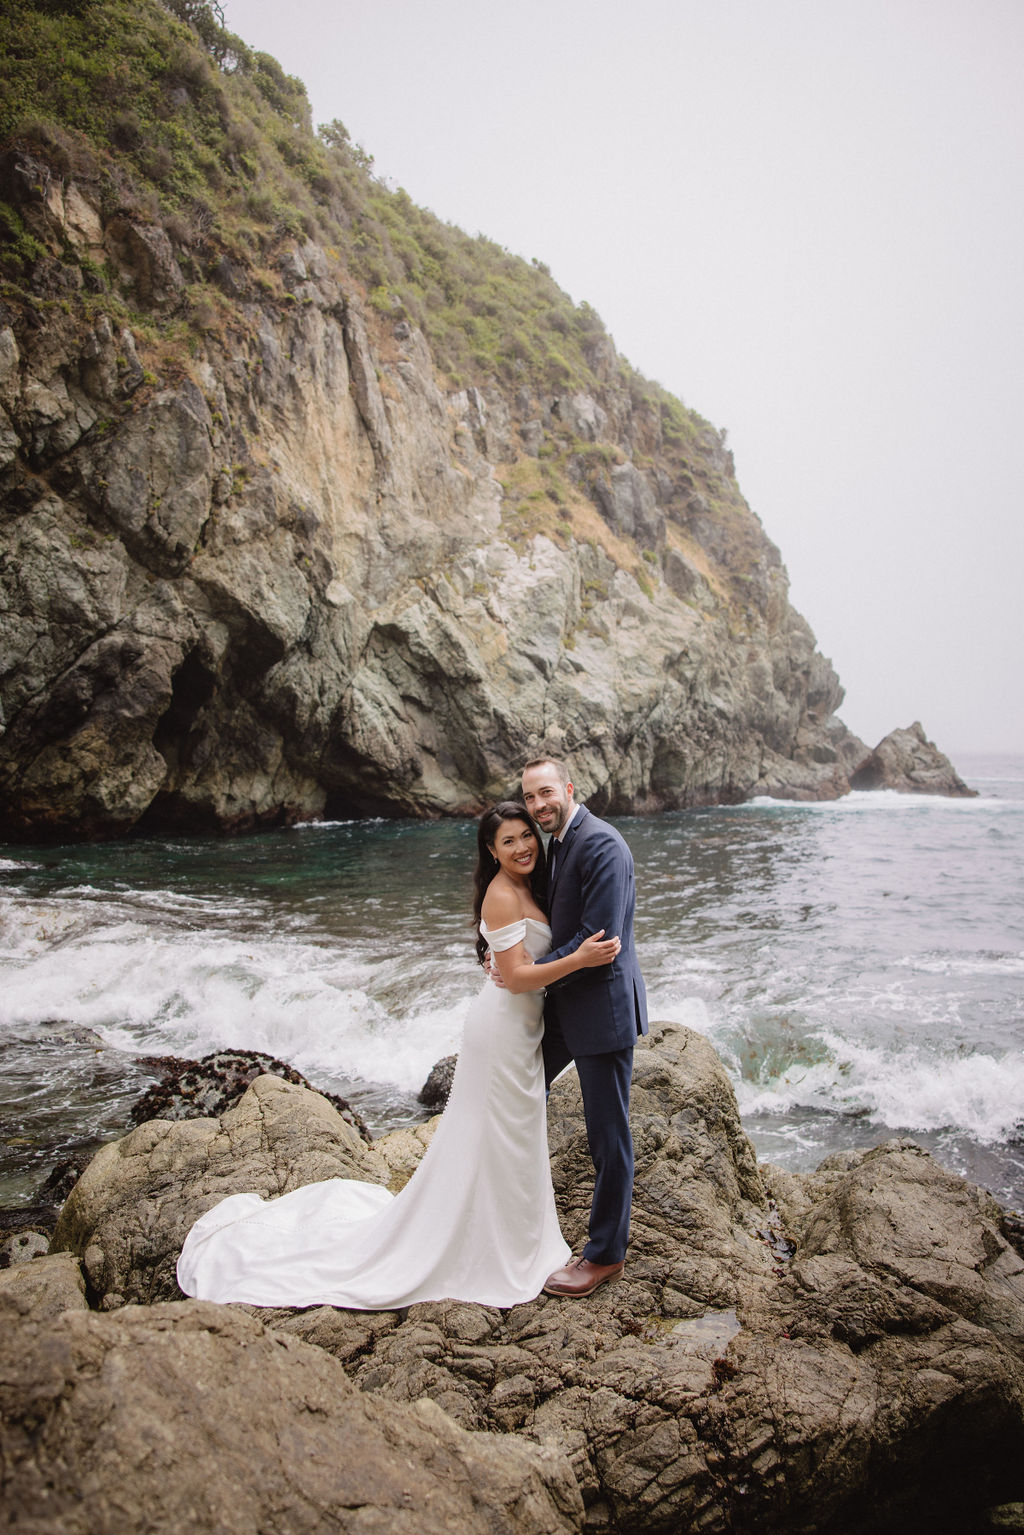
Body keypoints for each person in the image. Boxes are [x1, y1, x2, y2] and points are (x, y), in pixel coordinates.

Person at [176, 801, 620, 1311]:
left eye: (525, 836)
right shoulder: (501, 894)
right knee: (498, 1135)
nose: (521, 847)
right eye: (508, 842)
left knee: (508, 1137)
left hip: (522, 1028)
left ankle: (513, 1237)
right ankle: (487, 1248)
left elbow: (517, 957)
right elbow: (517, 976)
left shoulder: (531, 884)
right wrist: (580, 958)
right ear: (491, 851)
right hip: (501, 1031)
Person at [520, 756, 648, 1298]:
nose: (538, 806)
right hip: (566, 1006)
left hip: (600, 1010)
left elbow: (600, 939)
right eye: (529, 798)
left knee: (608, 1136)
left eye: (546, 793)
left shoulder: (602, 845)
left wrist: (529, 975)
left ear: (569, 788)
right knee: (518, 1089)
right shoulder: (558, 843)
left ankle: (605, 1256)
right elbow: (555, 922)